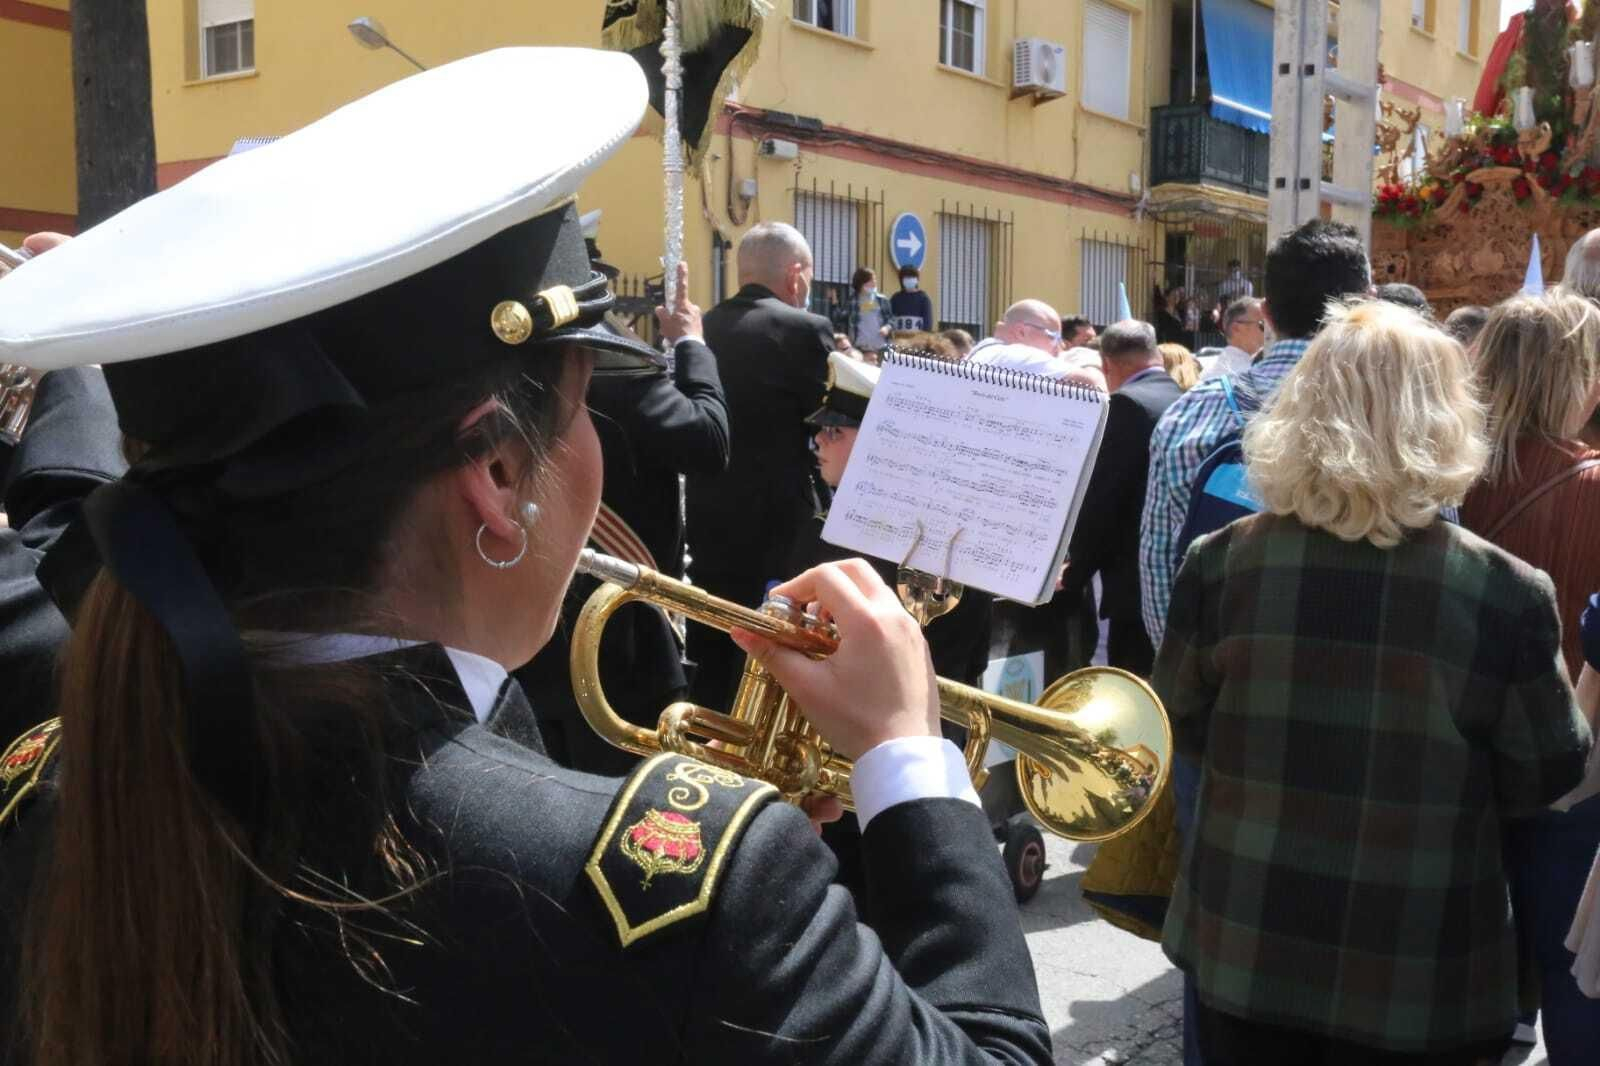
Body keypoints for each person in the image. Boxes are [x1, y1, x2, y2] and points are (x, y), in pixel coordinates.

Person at [0, 50, 1051, 1066]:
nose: (595, 442)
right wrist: (910, 764)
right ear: (499, 477)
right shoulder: (696, 893)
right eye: (586, 405)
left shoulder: (62, 781)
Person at [1156, 298, 1592, 1065]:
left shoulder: (1221, 562)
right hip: (1421, 974)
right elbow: (1547, 772)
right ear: (1447, 420)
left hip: (1246, 948)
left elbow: (1182, 727)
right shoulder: (1504, 591)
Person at [787, 351, 995, 895]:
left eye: (833, 431)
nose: (818, 443)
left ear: (878, 438)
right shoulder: (956, 529)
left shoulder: (844, 541)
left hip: (861, 761)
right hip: (927, 758)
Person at [513, 259, 728, 774]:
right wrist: (691, 343)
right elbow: (707, 440)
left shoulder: (499, 363)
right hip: (624, 641)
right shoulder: (605, 364)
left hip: (527, 634)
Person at [1459, 290, 1600, 1063]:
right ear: (1575, 377)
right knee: (1575, 970)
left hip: (1461, 760)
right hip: (1571, 770)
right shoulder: (1592, 486)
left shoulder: (1443, 476)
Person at [1141, 218, 1373, 650]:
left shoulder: (1190, 413)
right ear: (1368, 307)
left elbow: (1159, 576)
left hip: (1224, 682)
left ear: (1265, 313)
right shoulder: (1404, 418)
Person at [685, 221, 835, 709]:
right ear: (795, 275)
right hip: (781, 520)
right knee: (774, 648)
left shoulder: (704, 326)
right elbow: (830, 419)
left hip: (710, 512)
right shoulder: (804, 329)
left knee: (712, 637)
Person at [1063, 321, 1181, 675]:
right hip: (1177, 574)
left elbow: (1103, 502)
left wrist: (1075, 572)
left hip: (1135, 584)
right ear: (1156, 354)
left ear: (1107, 366)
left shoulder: (1127, 406)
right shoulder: (1184, 397)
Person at [1195, 297, 1264, 384]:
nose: (1269, 330)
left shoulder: (1212, 368)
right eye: (1262, 324)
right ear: (1236, 328)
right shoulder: (1243, 374)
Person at [844, 266, 892, 358]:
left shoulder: (882, 300)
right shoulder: (852, 301)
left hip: (881, 349)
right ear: (861, 283)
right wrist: (834, 302)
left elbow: (892, 320)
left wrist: (887, 327)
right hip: (859, 349)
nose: (874, 283)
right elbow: (840, 318)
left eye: (874, 280)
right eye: (870, 280)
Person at [890, 263, 934, 331]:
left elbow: (928, 325)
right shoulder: (895, 298)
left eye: (912, 277)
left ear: (917, 279)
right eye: (906, 277)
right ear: (901, 280)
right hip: (898, 339)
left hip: (918, 340)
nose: (909, 279)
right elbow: (889, 319)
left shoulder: (924, 299)